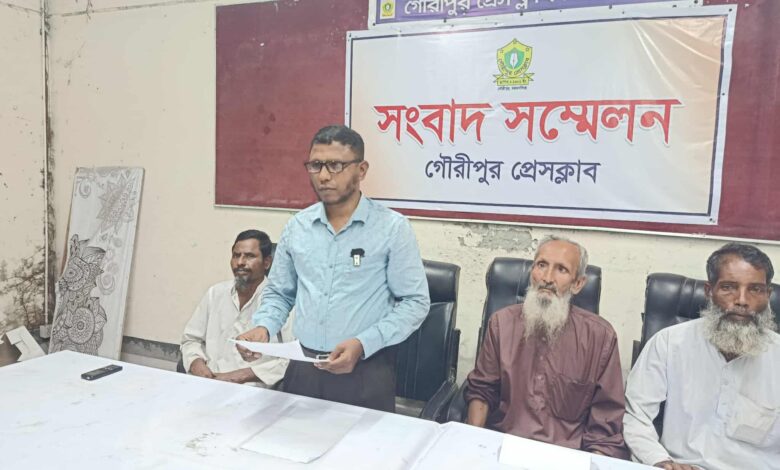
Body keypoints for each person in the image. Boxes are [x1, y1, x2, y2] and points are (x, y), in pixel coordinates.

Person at [237, 125, 430, 412]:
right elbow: (280, 292)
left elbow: (415, 302)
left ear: (361, 170)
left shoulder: (391, 229)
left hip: (365, 370)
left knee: (362, 442)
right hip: (303, 367)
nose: (324, 176)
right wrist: (264, 326)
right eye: (316, 165)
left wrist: (363, 343)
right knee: (292, 437)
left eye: (336, 165)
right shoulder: (298, 227)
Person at [464, 236, 629, 459]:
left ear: (578, 284)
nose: (547, 278)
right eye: (541, 265)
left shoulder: (601, 337)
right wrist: (472, 447)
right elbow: (482, 391)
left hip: (565, 457)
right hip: (503, 449)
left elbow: (605, 423)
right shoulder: (501, 323)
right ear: (532, 271)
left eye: (561, 270)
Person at [624, 243, 780, 470]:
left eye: (755, 289)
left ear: (768, 295)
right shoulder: (669, 343)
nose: (742, 300)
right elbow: (636, 416)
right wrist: (660, 461)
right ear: (709, 291)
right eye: (729, 287)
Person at [181, 230, 292, 387]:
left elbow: (291, 360)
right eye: (236, 255)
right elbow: (191, 339)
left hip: (255, 391)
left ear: (267, 262)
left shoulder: (281, 302)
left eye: (249, 256)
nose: (240, 262)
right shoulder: (215, 293)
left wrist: (238, 377)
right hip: (208, 382)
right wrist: (196, 363)